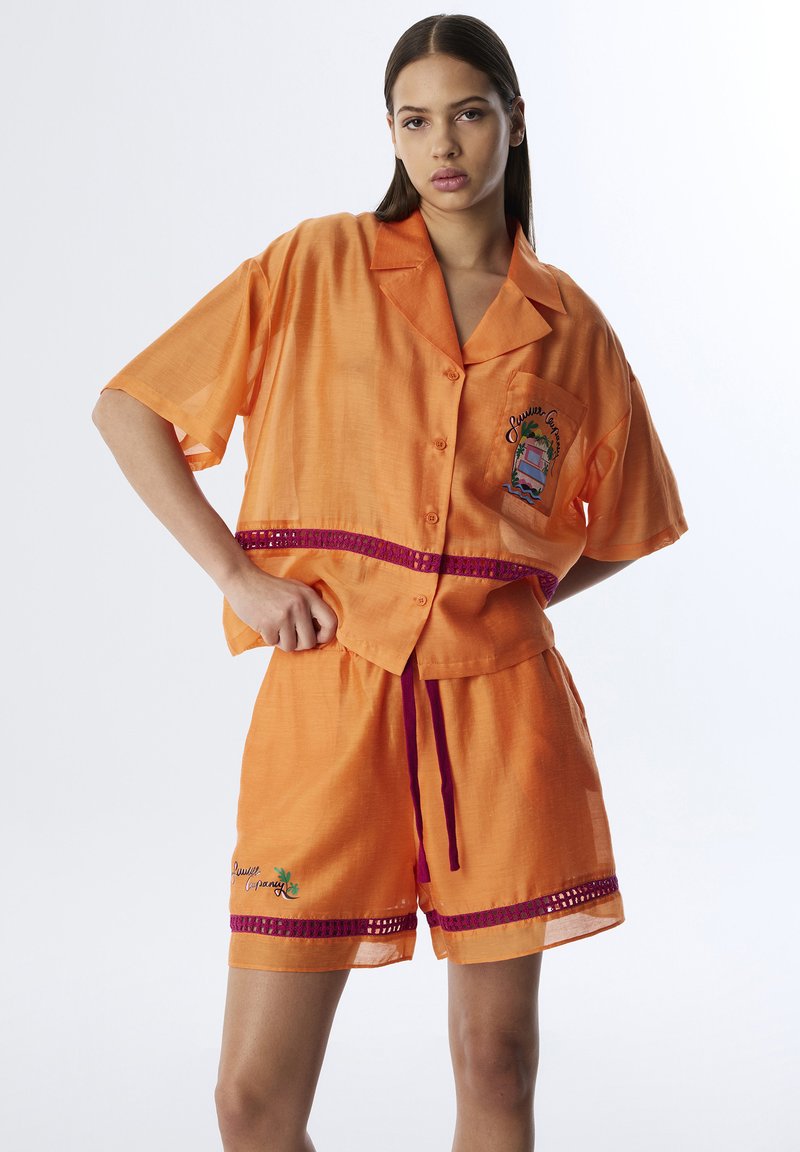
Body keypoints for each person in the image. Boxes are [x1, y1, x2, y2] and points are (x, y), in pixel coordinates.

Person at [92, 13, 688, 1152]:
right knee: (251, 1102)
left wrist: (505, 596)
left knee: (495, 1064)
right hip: (328, 696)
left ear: (515, 120)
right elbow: (130, 410)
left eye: (468, 113)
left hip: (502, 713)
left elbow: (629, 523)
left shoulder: (570, 327)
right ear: (391, 134)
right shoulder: (315, 264)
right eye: (414, 121)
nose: (442, 145)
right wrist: (241, 578)